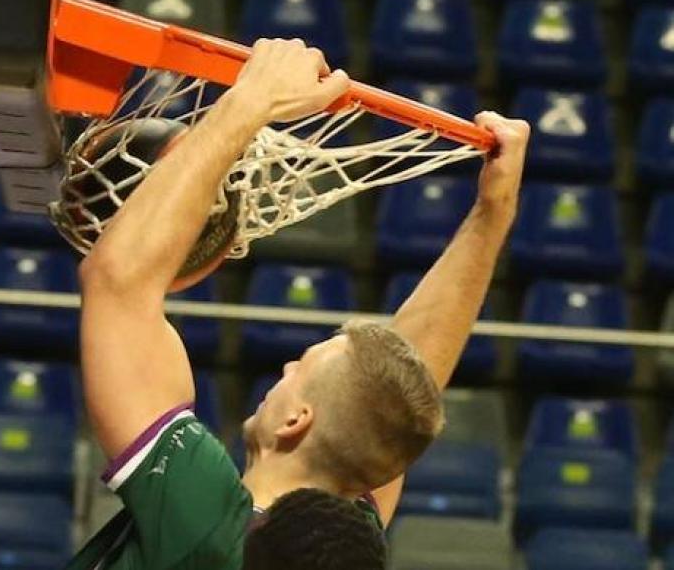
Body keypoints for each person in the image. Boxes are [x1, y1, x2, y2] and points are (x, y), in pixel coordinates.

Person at [66, 38, 530, 570]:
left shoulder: (211, 527)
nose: (287, 367)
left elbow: (117, 283)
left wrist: (253, 100)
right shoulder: (341, 542)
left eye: (301, 366)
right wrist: (493, 212)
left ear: (296, 420)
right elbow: (400, 387)